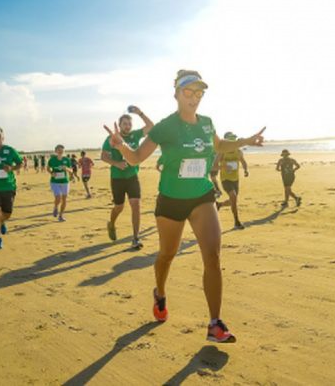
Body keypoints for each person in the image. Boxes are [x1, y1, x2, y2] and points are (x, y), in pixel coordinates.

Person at [104, 69, 266, 343]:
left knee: (213, 255)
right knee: (167, 255)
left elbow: (219, 144)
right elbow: (136, 158)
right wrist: (120, 147)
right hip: (170, 200)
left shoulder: (206, 122)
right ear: (177, 94)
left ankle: (215, 324)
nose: (194, 98)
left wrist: (245, 141)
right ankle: (160, 292)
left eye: (198, 93)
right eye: (188, 92)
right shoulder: (165, 127)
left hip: (202, 195)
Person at [101, 107, 154, 249]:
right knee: (119, 206)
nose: (128, 126)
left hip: (132, 177)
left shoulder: (135, 135)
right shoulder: (111, 138)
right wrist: (116, 163)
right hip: (117, 178)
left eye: (129, 124)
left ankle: (135, 238)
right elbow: (103, 156)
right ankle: (111, 224)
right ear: (120, 125)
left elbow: (151, 127)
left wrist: (140, 113)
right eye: (125, 124)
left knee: (135, 205)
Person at [216, 132, 248, 229]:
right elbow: (214, 165)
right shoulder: (222, 152)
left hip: (235, 179)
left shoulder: (238, 151)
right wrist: (223, 167)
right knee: (233, 196)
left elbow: (243, 161)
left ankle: (219, 204)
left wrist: (246, 170)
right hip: (225, 179)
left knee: (232, 201)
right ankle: (237, 221)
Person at [48, 145, 71, 222]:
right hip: (55, 182)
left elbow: (71, 170)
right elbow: (48, 168)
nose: (60, 152)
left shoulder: (67, 159)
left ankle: (61, 215)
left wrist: (66, 169)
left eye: (62, 150)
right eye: (59, 150)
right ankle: (55, 207)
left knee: (64, 199)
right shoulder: (52, 159)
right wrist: (51, 173)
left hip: (65, 182)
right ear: (56, 151)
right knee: (58, 197)